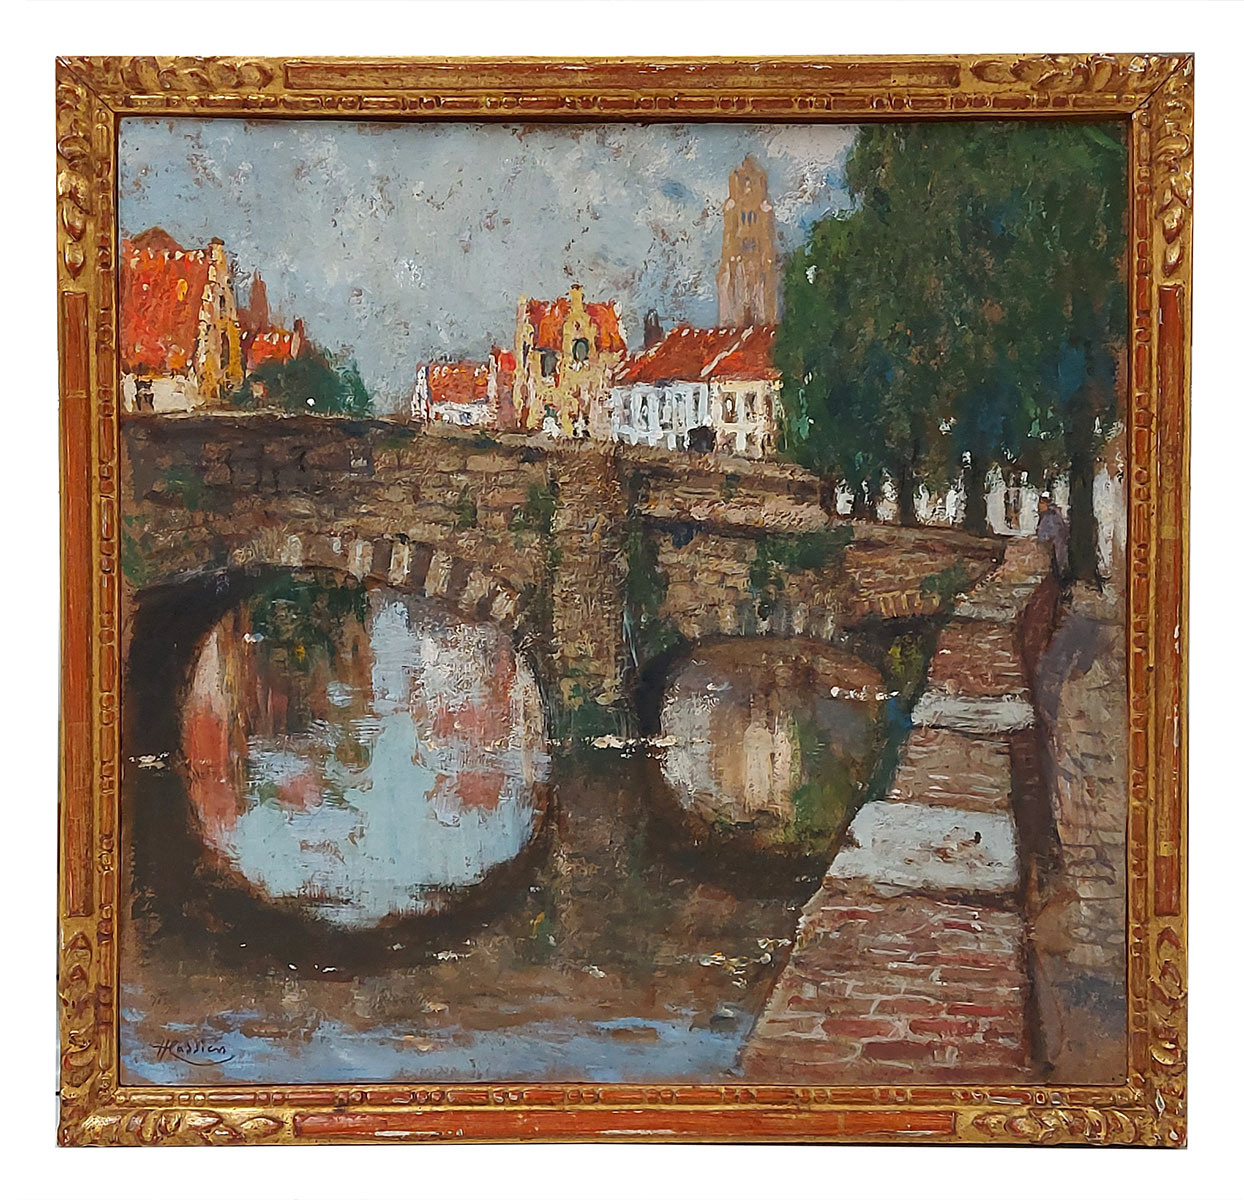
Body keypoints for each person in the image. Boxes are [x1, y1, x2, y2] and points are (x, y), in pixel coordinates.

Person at [1036, 492, 1070, 581]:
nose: (1039, 506)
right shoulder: (1051, 514)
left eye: (1041, 502)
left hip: (1056, 546)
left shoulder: (1051, 516)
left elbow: (1049, 534)